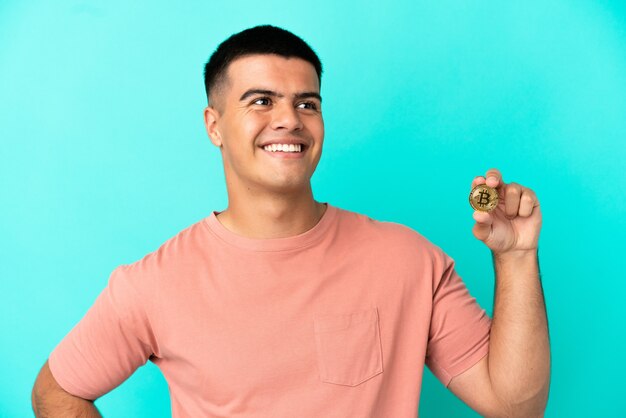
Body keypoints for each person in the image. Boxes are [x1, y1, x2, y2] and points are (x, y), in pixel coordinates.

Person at [31, 25, 550, 417]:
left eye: (307, 103)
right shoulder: (150, 284)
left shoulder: (409, 259)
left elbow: (513, 403)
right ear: (214, 125)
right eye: (261, 101)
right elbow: (56, 390)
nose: (289, 119)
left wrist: (517, 257)